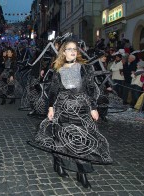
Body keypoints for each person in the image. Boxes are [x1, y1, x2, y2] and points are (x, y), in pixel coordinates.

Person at [29, 40, 112, 189]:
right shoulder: (58, 70)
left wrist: (93, 107)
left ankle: (82, 173)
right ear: (63, 52)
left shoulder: (85, 68)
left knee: (82, 140)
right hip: (63, 108)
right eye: (69, 49)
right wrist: (50, 108)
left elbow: (91, 89)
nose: (72, 51)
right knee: (62, 139)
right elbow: (53, 91)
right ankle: (58, 163)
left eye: (75, 49)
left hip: (81, 109)